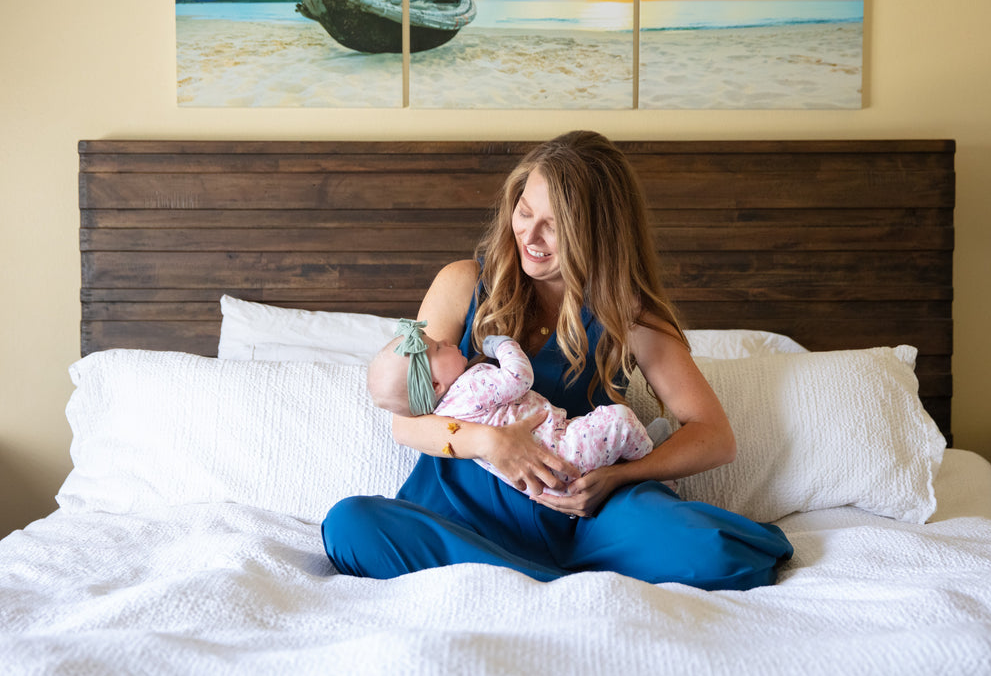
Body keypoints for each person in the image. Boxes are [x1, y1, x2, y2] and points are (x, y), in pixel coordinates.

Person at [322, 130, 793, 588]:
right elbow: (405, 422)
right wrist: (491, 444)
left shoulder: (629, 315)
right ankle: (553, 585)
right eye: (524, 212)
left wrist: (621, 475)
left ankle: (506, 581)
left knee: (717, 553)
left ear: (599, 235)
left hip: (580, 515)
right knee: (350, 526)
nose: (531, 235)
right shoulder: (462, 283)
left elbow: (715, 437)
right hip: (460, 514)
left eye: (555, 226)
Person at [367, 320, 674, 496]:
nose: (447, 340)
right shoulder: (471, 385)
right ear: (435, 385)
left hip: (544, 479)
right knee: (618, 417)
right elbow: (519, 377)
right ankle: (649, 463)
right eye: (437, 348)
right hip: (562, 451)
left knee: (595, 426)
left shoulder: (444, 414)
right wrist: (501, 346)